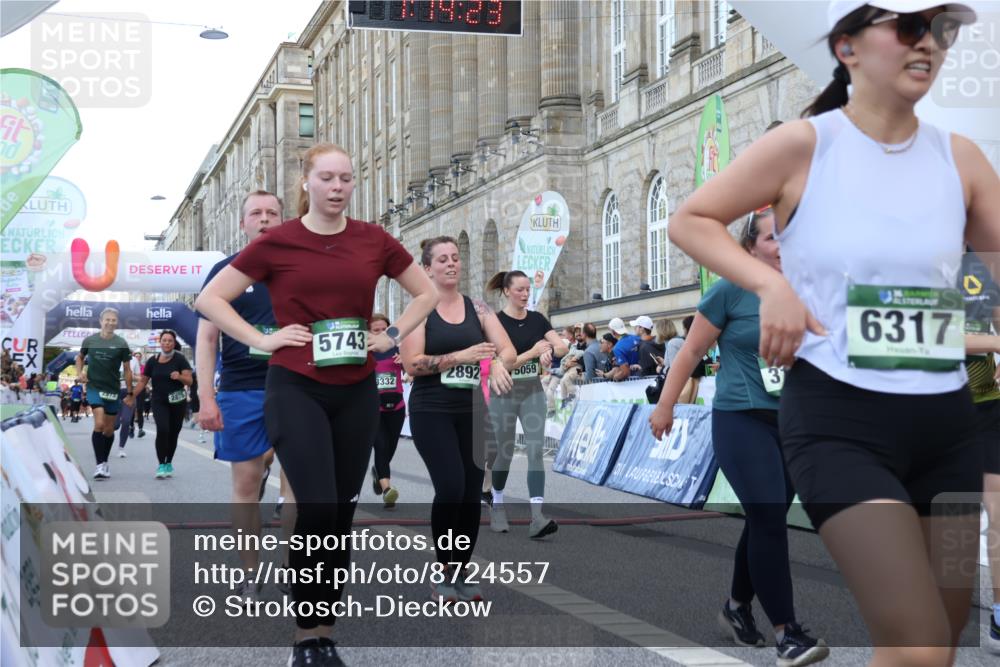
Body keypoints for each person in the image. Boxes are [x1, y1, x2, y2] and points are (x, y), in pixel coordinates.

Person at [667, 2, 992, 663]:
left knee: (938, 644)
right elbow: (691, 219)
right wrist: (772, 285)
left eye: (943, 30)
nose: (929, 43)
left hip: (948, 431)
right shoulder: (805, 144)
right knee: (920, 644)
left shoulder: (961, 159)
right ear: (847, 47)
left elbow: (992, 281)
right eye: (909, 27)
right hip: (841, 425)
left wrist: (977, 323)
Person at [195, 142, 438, 667]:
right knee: (317, 505)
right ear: (306, 183)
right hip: (294, 388)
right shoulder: (278, 242)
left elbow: (425, 294)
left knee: (340, 513)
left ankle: (324, 632)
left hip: (355, 391)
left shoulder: (373, 240)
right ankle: (307, 638)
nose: (337, 187)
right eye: (326, 178)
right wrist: (261, 340)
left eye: (346, 179)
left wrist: (392, 334)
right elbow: (210, 300)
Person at [651, 208, 829, 665]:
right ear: (751, 245)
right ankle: (787, 633)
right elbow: (691, 350)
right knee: (769, 516)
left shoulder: (806, 291)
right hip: (741, 418)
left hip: (791, 422)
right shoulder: (729, 292)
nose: (784, 246)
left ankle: (735, 607)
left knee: (762, 520)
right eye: (774, 239)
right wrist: (666, 405)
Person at [400, 237, 515, 604]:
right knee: (450, 487)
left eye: (455, 259)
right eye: (443, 260)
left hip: (473, 408)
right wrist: (460, 355)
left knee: (469, 495)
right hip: (431, 408)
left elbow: (507, 348)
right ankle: (444, 570)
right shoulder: (419, 309)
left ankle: (461, 569)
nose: (452, 264)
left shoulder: (478, 308)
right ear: (427, 268)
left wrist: (496, 362)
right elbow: (412, 364)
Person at [196, 190, 284, 602]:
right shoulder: (225, 270)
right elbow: (207, 337)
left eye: (272, 213)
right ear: (243, 223)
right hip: (241, 390)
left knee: (300, 482)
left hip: (294, 387)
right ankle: (251, 572)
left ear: (283, 220)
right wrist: (205, 398)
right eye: (256, 213)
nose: (264, 219)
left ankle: (298, 568)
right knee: (246, 484)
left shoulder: (300, 266)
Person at [485, 270, 568, 538]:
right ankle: (496, 502)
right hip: (504, 391)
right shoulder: (495, 322)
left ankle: (537, 517)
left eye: (527, 290)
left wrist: (549, 352)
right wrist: (533, 352)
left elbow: (561, 348)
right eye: (519, 290)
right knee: (504, 453)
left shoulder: (537, 320)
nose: (524, 294)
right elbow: (503, 364)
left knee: (535, 450)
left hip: (532, 390)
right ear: (507, 291)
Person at [960, 249, 1000, 653]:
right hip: (933, 407)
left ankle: (999, 617)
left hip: (987, 403)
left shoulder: (977, 267)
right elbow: (935, 338)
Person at [75, 308, 135, 479]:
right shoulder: (90, 340)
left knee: (109, 430)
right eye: (107, 319)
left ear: (117, 323)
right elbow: (79, 357)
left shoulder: (121, 343)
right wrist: (80, 373)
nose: (110, 322)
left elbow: (127, 369)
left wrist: (130, 393)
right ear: (101, 321)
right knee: (99, 423)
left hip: (113, 389)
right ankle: (99, 465)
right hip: (94, 387)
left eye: (113, 320)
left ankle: (104, 462)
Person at [132, 330, 193, 479]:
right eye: (164, 340)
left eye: (170, 341)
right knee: (163, 429)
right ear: (160, 342)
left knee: (173, 433)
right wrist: (131, 396)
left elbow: (190, 380)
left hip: (177, 401)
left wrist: (179, 377)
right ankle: (160, 464)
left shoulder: (180, 359)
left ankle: (168, 462)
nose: (167, 343)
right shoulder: (152, 361)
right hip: (159, 401)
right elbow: (143, 381)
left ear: (174, 343)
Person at [368, 313, 406, 510]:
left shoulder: (398, 349)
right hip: (374, 409)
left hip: (397, 408)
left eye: (385, 329)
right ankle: (387, 490)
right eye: (376, 330)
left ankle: (379, 472)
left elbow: (413, 372)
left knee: (389, 448)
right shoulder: (365, 353)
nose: (381, 333)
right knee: (381, 446)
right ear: (369, 333)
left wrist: (406, 361)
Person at [605, 317, 649, 381]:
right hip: (645, 377)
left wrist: (615, 377)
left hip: (632, 382)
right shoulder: (637, 337)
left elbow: (625, 372)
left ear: (613, 332)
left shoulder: (617, 348)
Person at [130, 352, 147, 437]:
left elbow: (145, 378)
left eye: (139, 357)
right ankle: (131, 427)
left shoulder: (144, 367)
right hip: (131, 388)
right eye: (136, 356)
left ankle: (140, 429)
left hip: (141, 388)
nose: (137, 358)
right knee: (132, 408)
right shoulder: (130, 364)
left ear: (141, 358)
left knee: (140, 409)